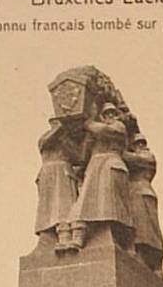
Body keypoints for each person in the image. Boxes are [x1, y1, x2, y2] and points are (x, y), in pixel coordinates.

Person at [67, 103, 134, 249]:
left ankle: (118, 238)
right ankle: (79, 235)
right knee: (84, 201)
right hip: (94, 167)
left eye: (113, 113)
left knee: (108, 202)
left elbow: (104, 130)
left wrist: (87, 122)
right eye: (106, 114)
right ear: (102, 116)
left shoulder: (118, 127)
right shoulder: (95, 132)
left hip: (110, 163)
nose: (110, 116)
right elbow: (83, 155)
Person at [34, 118, 84, 251]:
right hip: (49, 172)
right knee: (50, 207)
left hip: (64, 171)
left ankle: (66, 235)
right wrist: (61, 128)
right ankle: (55, 235)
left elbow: (78, 156)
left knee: (66, 205)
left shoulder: (67, 141)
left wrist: (68, 137)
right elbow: (45, 143)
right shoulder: (46, 137)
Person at [124, 135, 163, 271]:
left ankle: (148, 258)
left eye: (140, 144)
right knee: (139, 226)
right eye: (136, 144)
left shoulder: (147, 156)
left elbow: (128, 158)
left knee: (146, 228)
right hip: (133, 193)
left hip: (142, 191)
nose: (139, 147)